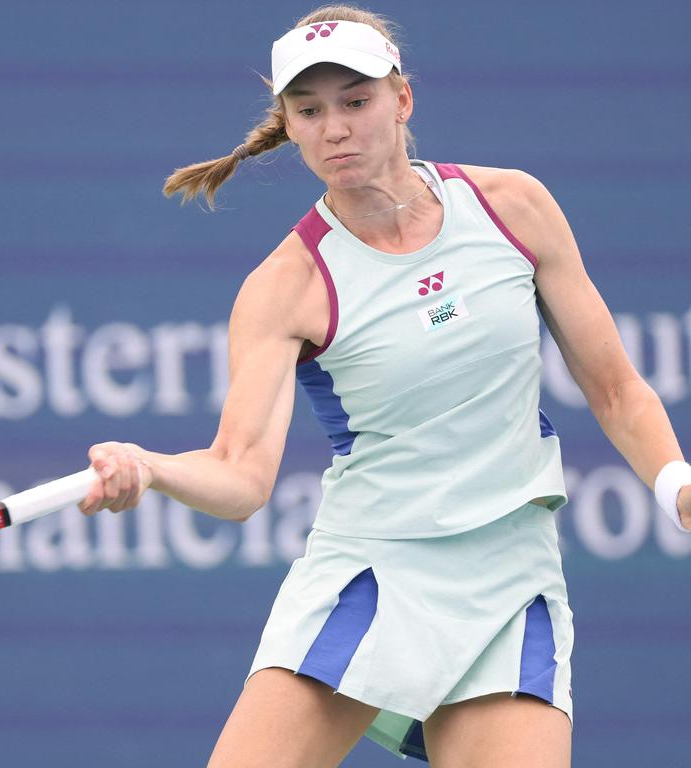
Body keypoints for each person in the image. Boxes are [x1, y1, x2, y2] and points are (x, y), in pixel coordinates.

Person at [77, 5, 691, 766]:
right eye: (310, 111)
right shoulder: (285, 285)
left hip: (510, 579)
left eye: (356, 101)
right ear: (290, 126)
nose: (336, 128)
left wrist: (676, 486)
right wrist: (153, 467)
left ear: (402, 99)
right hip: (373, 573)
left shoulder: (513, 207)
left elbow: (616, 390)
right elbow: (239, 475)